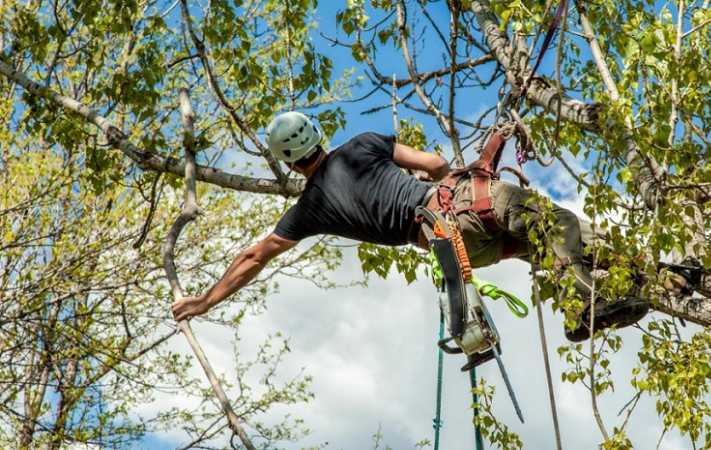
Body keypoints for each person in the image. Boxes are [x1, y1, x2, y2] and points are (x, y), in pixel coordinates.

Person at [171, 111, 652, 342]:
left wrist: (204, 300)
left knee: (553, 246)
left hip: (449, 247)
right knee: (556, 221)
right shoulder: (361, 144)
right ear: (318, 135)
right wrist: (428, 176)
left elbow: (256, 254)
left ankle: (657, 278)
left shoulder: (310, 208)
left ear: (291, 164)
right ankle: (586, 304)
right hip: (458, 205)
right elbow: (438, 162)